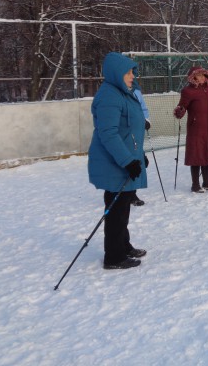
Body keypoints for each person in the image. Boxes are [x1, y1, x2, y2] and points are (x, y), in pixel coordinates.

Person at [87, 52, 148, 270]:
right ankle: (113, 256)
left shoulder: (124, 93)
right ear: (116, 73)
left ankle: (123, 245)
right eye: (128, 72)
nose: (132, 75)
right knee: (116, 211)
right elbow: (109, 134)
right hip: (113, 163)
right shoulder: (110, 96)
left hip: (123, 159)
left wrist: (139, 156)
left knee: (123, 208)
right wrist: (127, 161)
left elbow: (129, 130)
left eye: (133, 71)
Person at [130, 88, 151, 206]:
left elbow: (143, 108)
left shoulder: (136, 92)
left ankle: (132, 193)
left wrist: (146, 120)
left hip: (136, 131)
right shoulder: (114, 91)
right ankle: (120, 192)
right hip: (122, 131)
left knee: (138, 161)